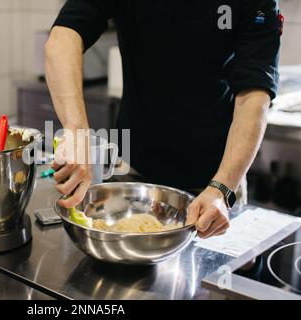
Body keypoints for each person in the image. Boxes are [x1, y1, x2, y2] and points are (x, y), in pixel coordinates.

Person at [45, 0, 282, 238]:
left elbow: (254, 94)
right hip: (134, 171)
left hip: (218, 178)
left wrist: (222, 187)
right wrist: (76, 132)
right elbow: (63, 38)